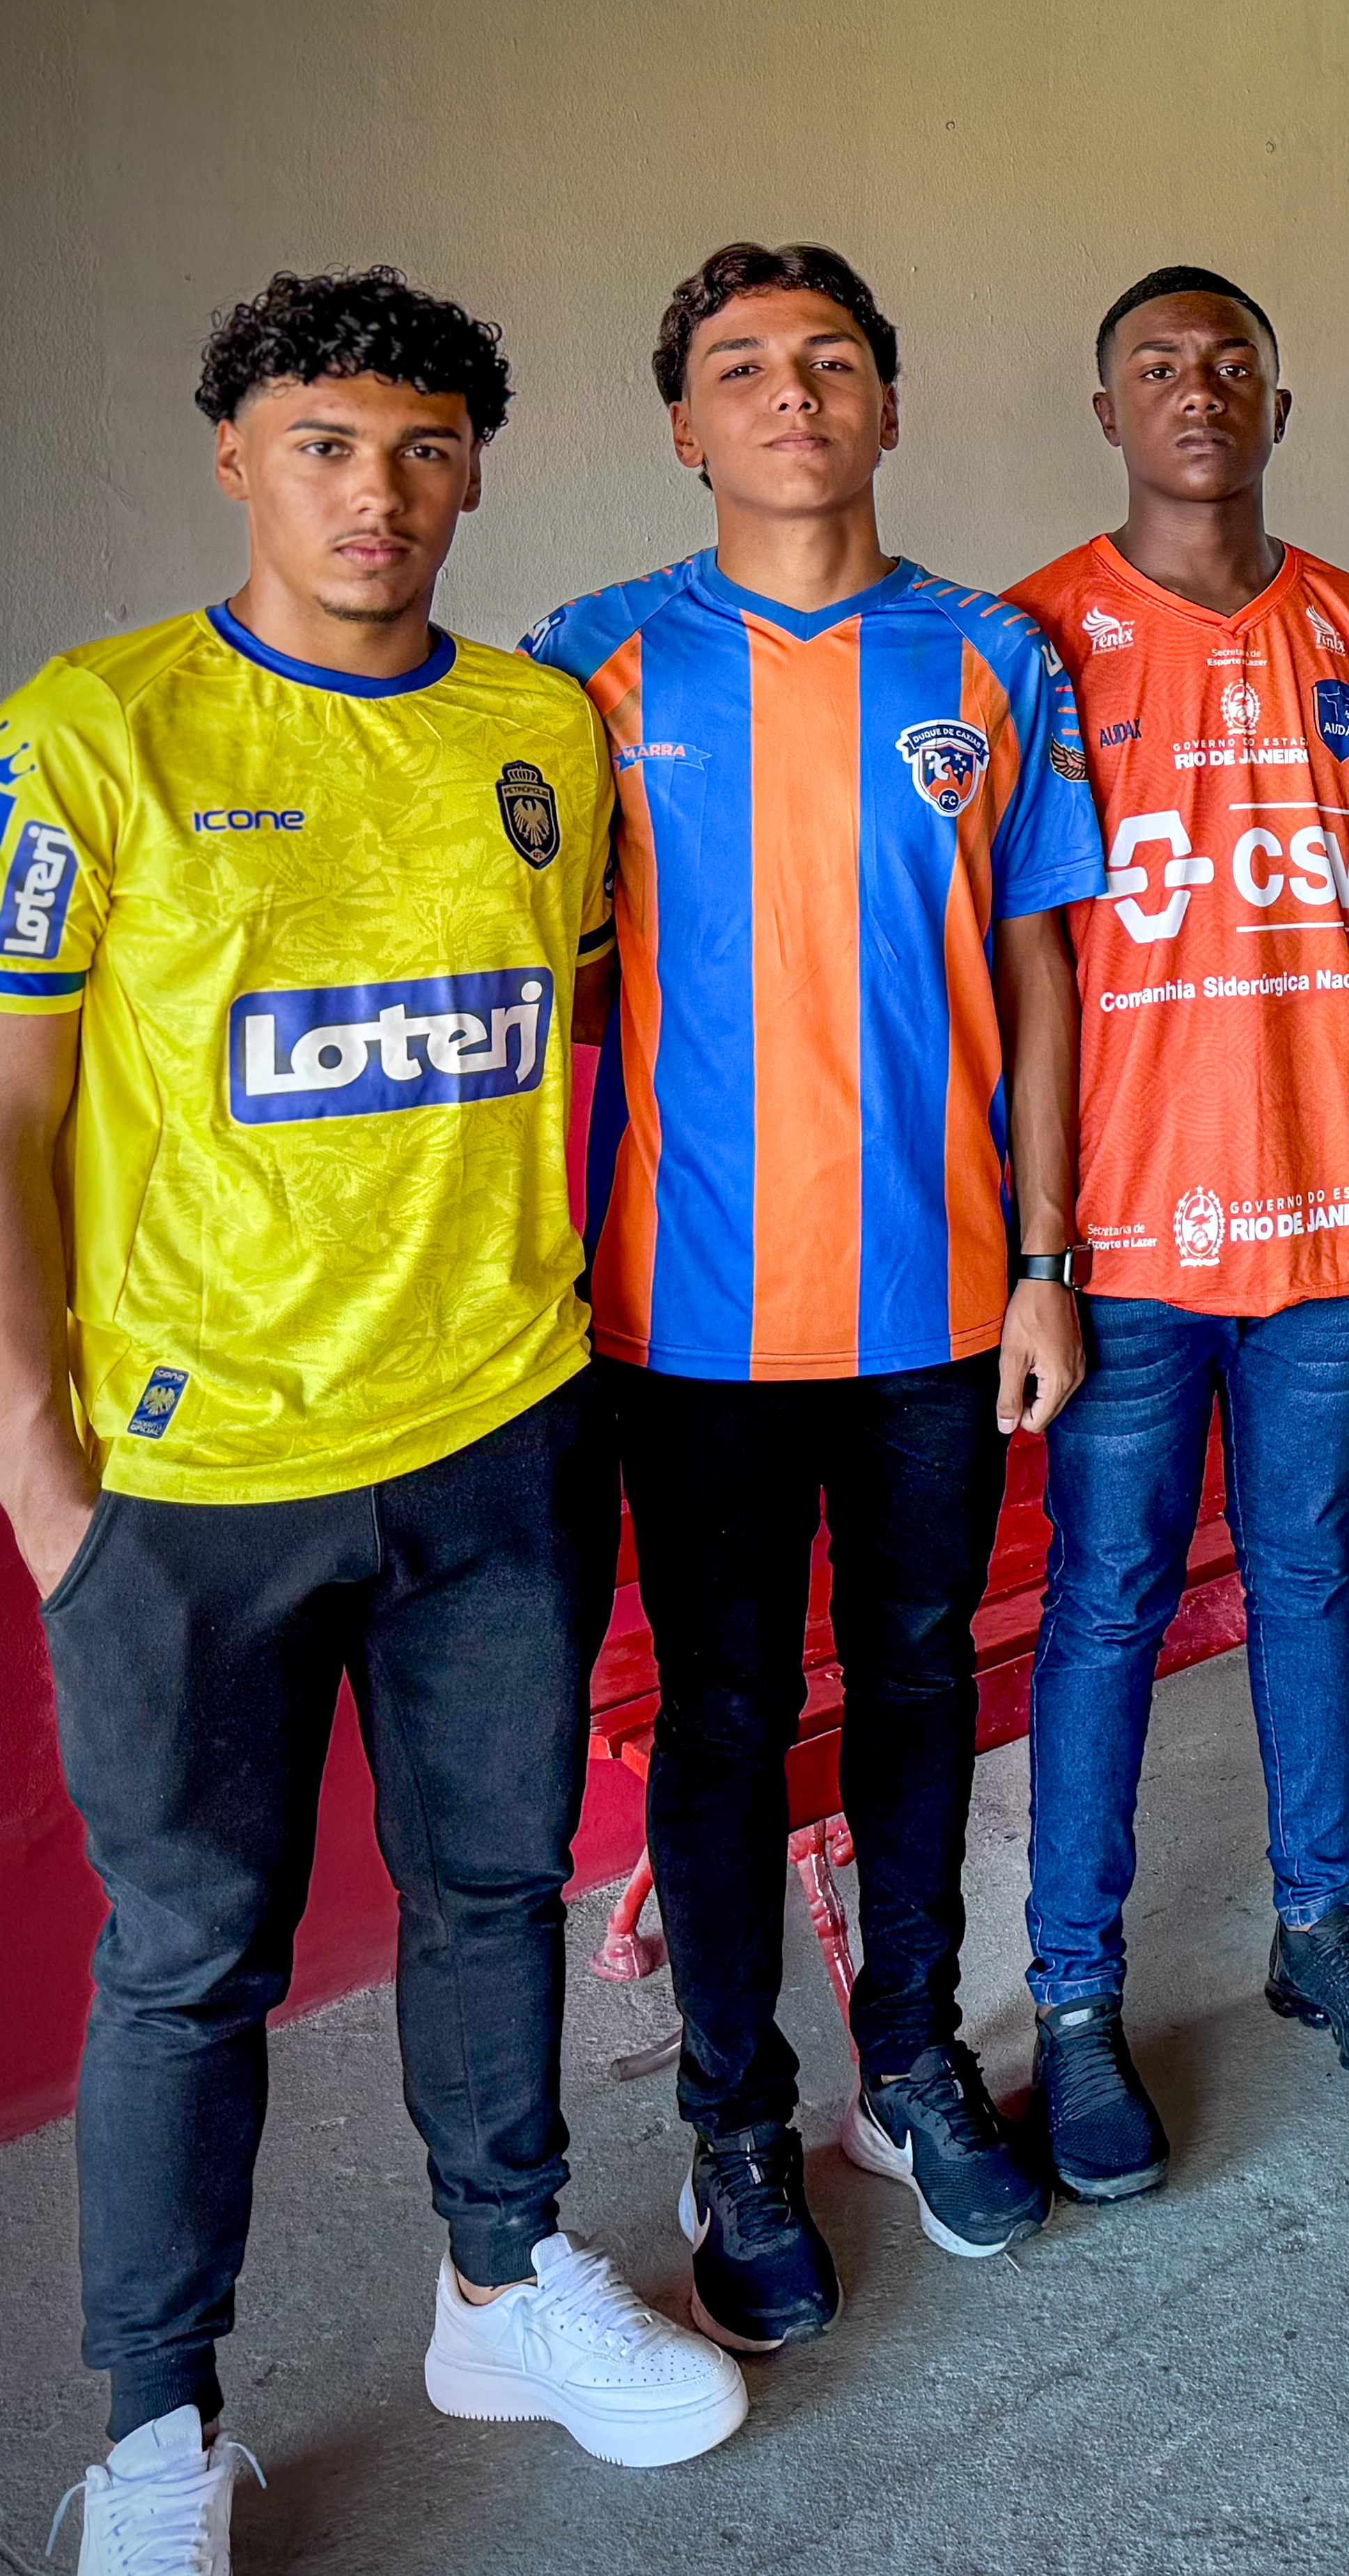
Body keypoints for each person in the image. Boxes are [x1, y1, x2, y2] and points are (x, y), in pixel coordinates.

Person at [10, 270, 744, 2570]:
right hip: (191, 1479)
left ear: (480, 473)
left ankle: (502, 2280)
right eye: (324, 442)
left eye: (424, 447)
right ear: (236, 455)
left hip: (499, 1439)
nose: (376, 491)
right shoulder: (89, 730)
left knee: (493, 1885)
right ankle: (155, 2430)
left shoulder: (535, 731)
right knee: (189, 1957)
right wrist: (40, 1472)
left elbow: (599, 1045)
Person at [529, 242, 1105, 2345]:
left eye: (830, 360)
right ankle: (733, 2110)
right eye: (741, 369)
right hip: (684, 1327)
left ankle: (913, 2060)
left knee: (931, 1681)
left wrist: (1045, 1261)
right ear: (683, 422)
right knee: (729, 1717)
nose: (791, 395)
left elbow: (1038, 982)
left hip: (946, 1306)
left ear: (889, 400)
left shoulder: (987, 661)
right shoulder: (583, 671)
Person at [1001, 263, 1349, 2202]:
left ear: (1281, 396)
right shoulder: (1029, 640)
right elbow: (1015, 965)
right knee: (1104, 1608)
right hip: (1119, 1241)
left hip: (1330, 1216)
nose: (1198, 392)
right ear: (1106, 409)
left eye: (1230, 362)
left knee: (1309, 1583)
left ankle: (1317, 1926)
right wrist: (1031, 1239)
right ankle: (1077, 2002)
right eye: (1156, 368)